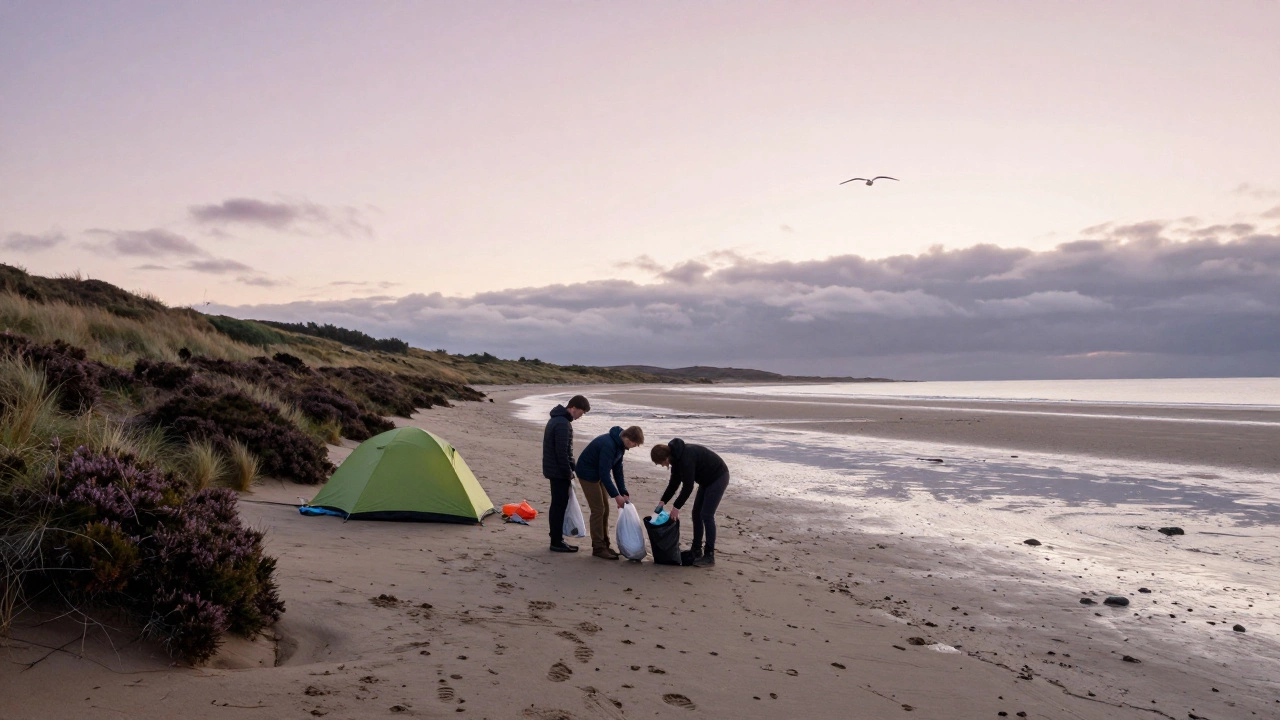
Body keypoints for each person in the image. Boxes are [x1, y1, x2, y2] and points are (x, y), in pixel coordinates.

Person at [651, 439, 729, 567]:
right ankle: (696, 550)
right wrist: (662, 501)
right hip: (706, 481)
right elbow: (674, 483)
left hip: (718, 477)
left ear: (666, 457)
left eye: (661, 463)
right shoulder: (676, 459)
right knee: (696, 513)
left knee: (707, 515)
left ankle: (709, 555)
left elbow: (688, 486)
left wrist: (676, 507)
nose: (663, 466)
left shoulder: (686, 457)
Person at [575, 425, 644, 559]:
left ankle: (605, 544)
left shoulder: (620, 446)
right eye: (634, 444)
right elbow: (605, 473)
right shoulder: (609, 445)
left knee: (605, 509)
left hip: (598, 474)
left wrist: (623, 491)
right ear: (628, 438)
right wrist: (616, 496)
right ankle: (598, 547)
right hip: (587, 474)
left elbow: (617, 469)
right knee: (598, 510)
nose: (633, 447)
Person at [543, 395, 590, 553]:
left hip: (554, 469)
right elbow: (562, 452)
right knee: (559, 506)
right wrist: (568, 472)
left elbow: (565, 451)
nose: (579, 417)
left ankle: (556, 538)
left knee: (558, 505)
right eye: (580, 413)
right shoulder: (562, 423)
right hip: (558, 471)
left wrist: (572, 468)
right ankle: (556, 541)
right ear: (573, 408)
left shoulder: (557, 420)